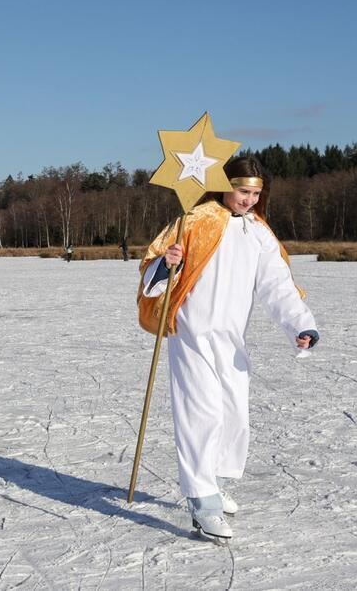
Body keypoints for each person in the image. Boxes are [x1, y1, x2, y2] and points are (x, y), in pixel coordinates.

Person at [137, 156, 319, 541]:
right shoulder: (195, 220)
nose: (249, 200)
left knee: (232, 413)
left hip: (230, 339)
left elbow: (277, 286)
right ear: (223, 185)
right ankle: (203, 503)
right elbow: (152, 274)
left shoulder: (258, 232)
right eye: (242, 191)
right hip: (192, 333)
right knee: (200, 414)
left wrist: (300, 324)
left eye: (255, 193)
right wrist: (166, 263)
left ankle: (213, 483)